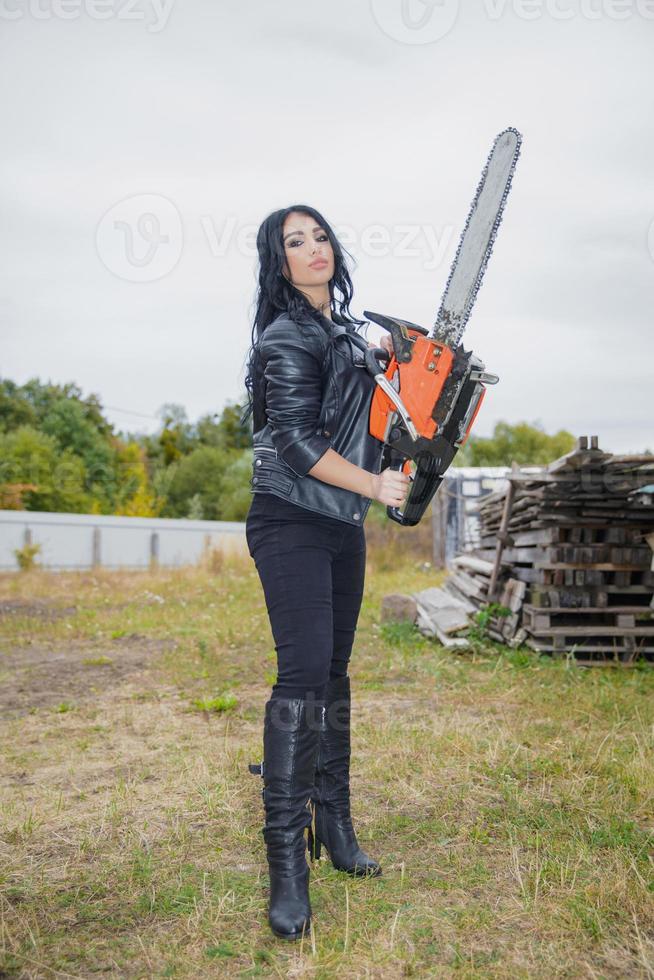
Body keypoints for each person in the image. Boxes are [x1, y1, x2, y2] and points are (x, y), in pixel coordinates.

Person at [241, 204, 411, 941]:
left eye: (320, 236)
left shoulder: (349, 335)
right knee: (301, 678)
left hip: (340, 527)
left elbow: (380, 427)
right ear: (279, 263)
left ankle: (334, 823)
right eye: (295, 241)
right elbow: (299, 442)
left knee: (334, 675)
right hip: (290, 521)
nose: (314, 249)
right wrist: (373, 486)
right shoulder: (284, 337)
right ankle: (287, 860)